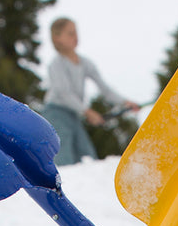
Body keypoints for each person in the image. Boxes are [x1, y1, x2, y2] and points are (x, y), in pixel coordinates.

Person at [41, 16, 140, 166]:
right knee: (64, 157)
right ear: (57, 38)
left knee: (87, 156)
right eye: (70, 33)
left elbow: (104, 88)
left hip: (74, 114)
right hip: (56, 114)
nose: (75, 37)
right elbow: (64, 93)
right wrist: (88, 112)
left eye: (75, 32)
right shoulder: (56, 64)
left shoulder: (85, 63)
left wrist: (125, 102)